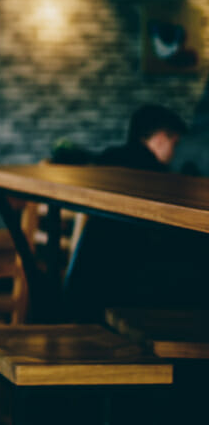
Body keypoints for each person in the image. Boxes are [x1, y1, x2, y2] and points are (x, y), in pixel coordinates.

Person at [64, 104, 209, 322]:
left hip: (87, 286)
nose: (173, 152)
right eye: (174, 143)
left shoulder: (107, 162)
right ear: (161, 138)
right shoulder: (157, 178)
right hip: (134, 288)